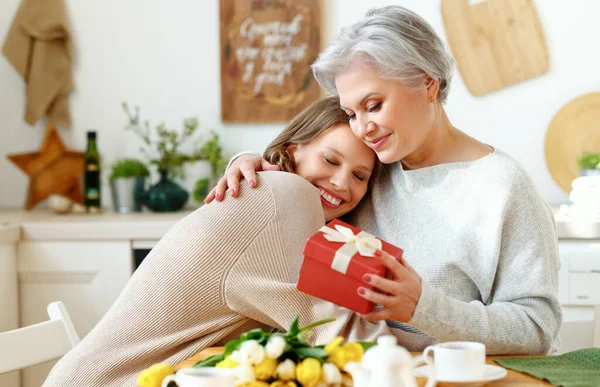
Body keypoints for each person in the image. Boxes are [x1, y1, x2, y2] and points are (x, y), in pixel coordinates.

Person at [207, 5, 562, 355]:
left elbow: (536, 328)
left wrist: (423, 307)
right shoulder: (363, 171)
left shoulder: (503, 188)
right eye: (351, 113)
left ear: (427, 83)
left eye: (373, 105)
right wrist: (252, 161)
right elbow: (296, 182)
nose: (362, 128)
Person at [43, 97, 433, 387]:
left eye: (360, 176)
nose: (341, 183)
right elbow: (333, 328)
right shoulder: (285, 196)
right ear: (294, 148)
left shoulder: (277, 198)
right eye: (331, 161)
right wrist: (447, 343)